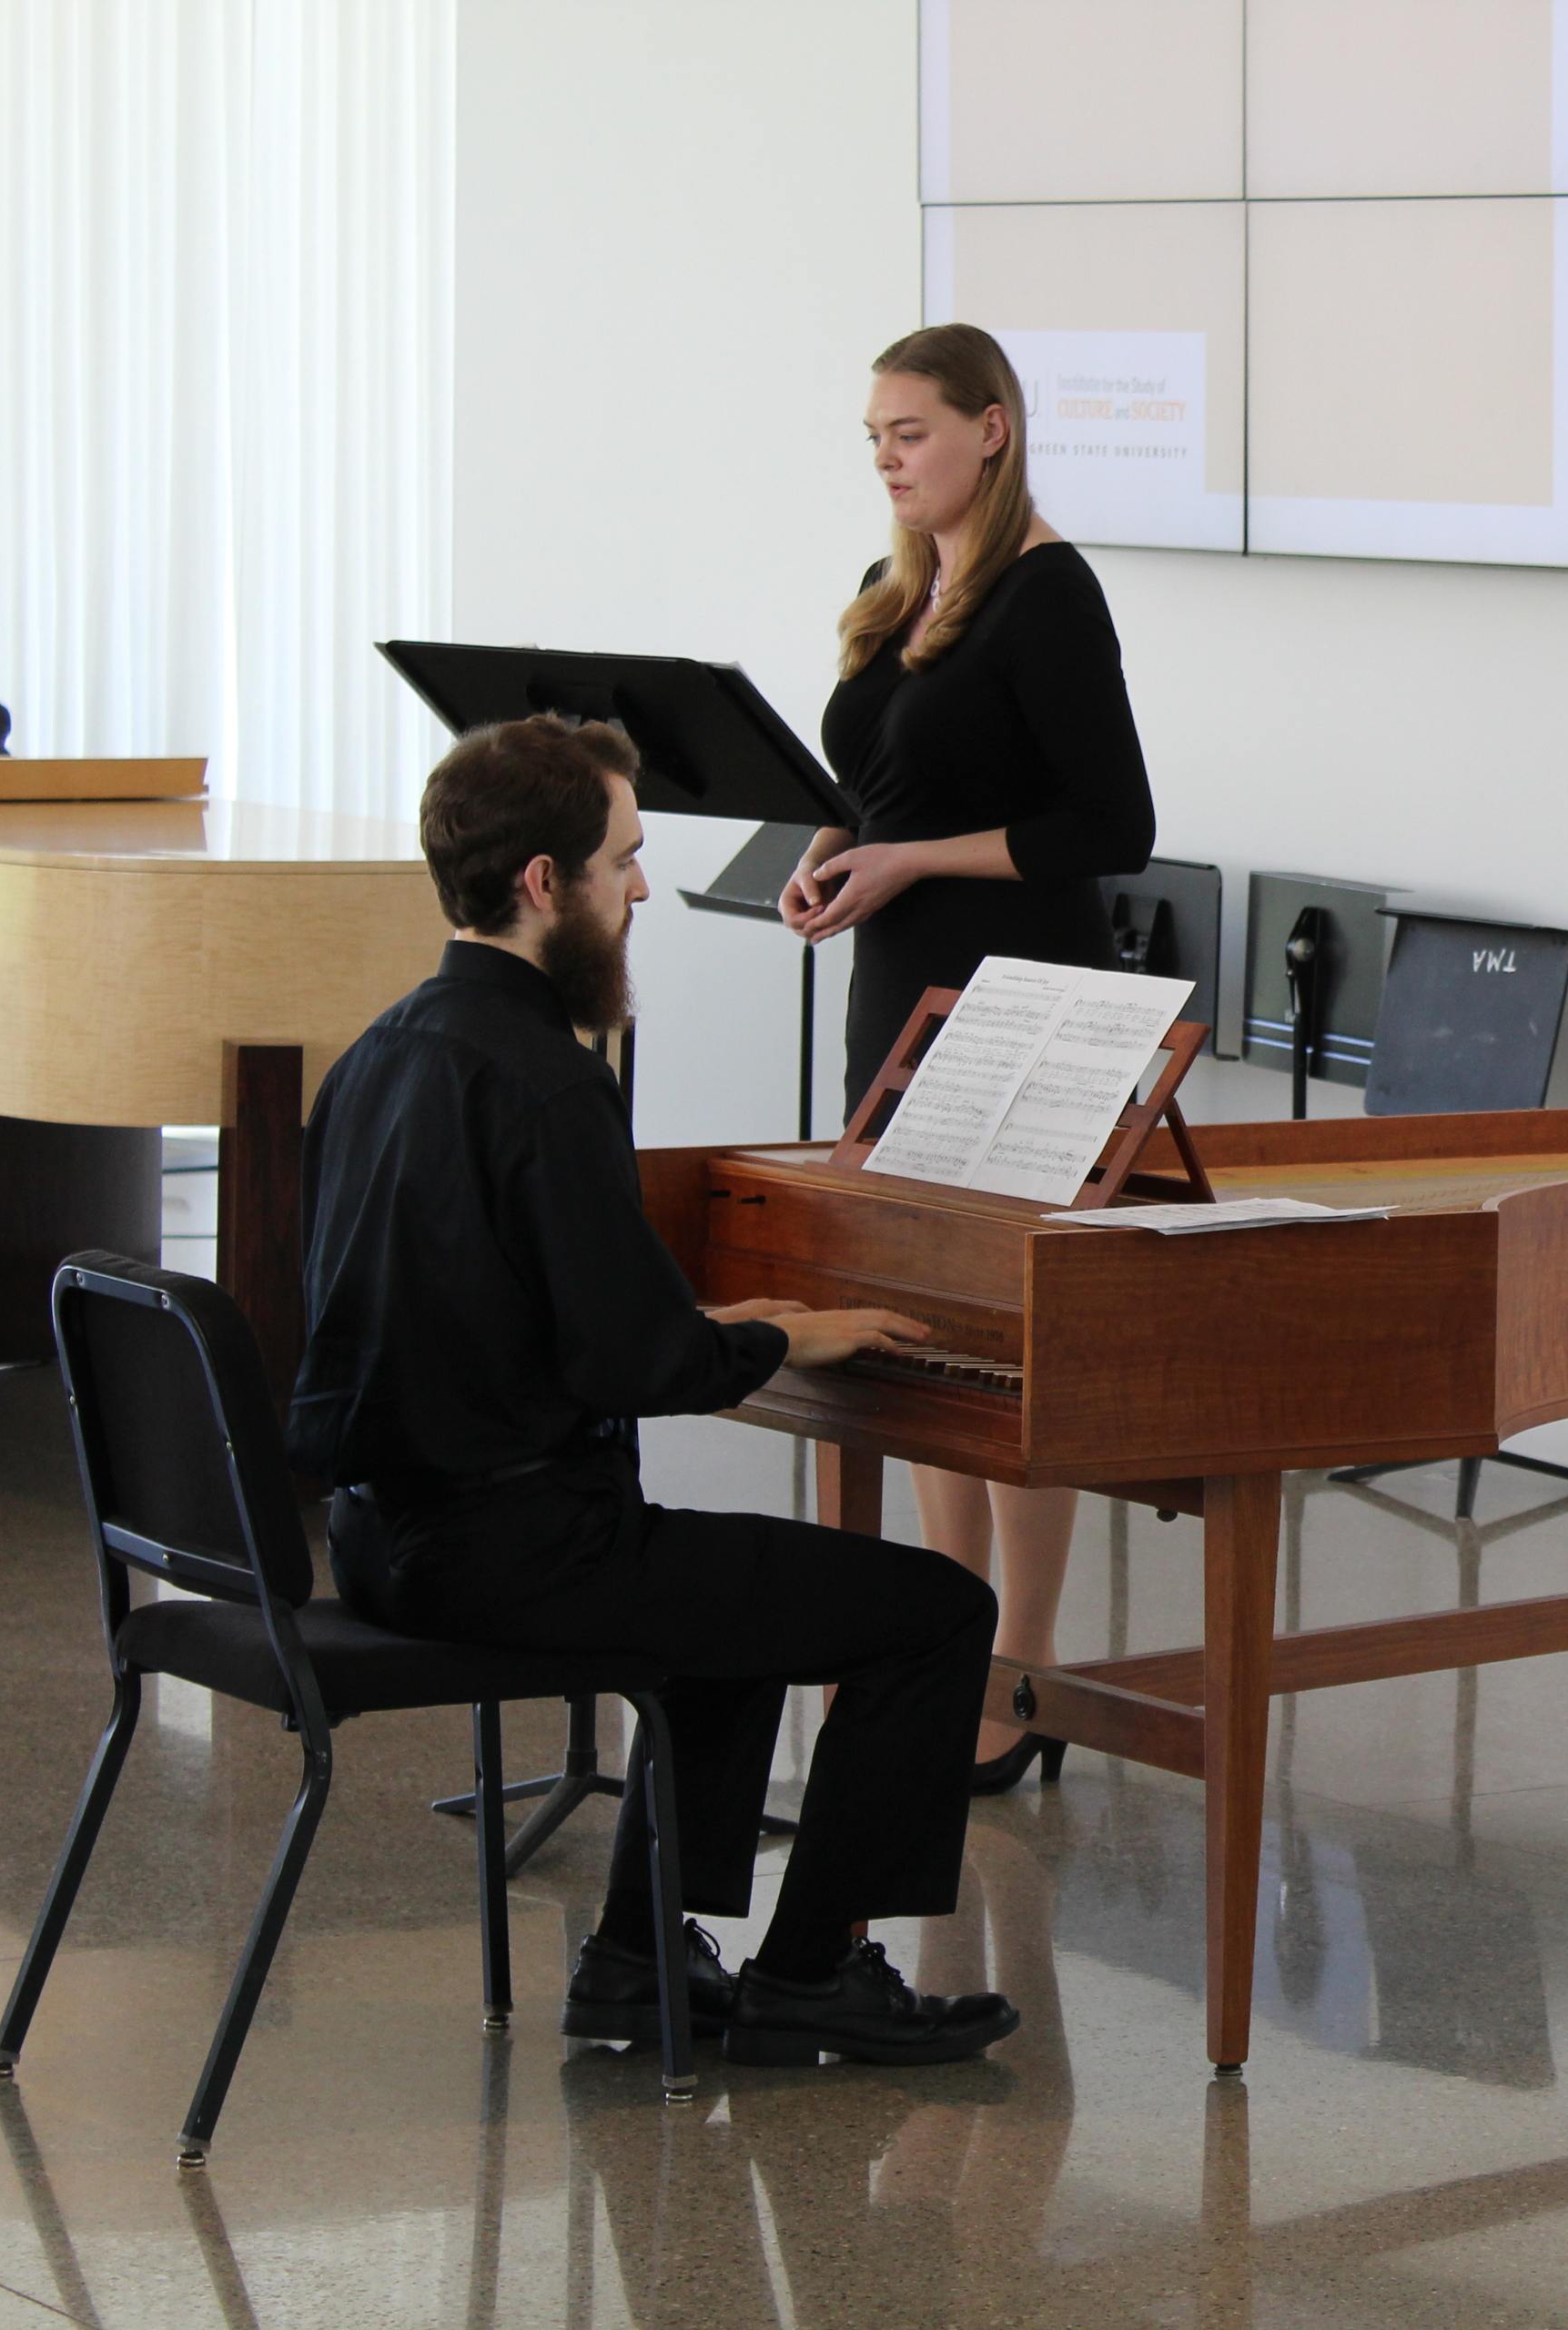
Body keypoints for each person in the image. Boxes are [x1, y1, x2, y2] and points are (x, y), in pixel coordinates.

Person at [292, 711, 1021, 2071]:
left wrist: (716, 1323)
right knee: (936, 1612)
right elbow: (634, 1368)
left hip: (384, 1539)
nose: (640, 891)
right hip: (519, 1557)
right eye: (623, 860)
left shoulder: (376, 1056)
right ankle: (814, 1975)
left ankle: (638, 1961)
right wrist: (778, 1341)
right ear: (544, 884)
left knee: (724, 1597)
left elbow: (483, 1311)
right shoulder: (550, 1083)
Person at [783, 321, 1157, 1793]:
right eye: (873, 437)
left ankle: (1024, 1669)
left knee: (1008, 1350)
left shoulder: (1048, 592)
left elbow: (1111, 826)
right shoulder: (898, 592)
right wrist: (832, 848)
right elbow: (877, 780)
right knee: (916, 1331)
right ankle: (947, 1637)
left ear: (991, 428)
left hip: (1020, 997)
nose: (888, 458)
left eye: (913, 431)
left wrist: (907, 859)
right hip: (899, 989)